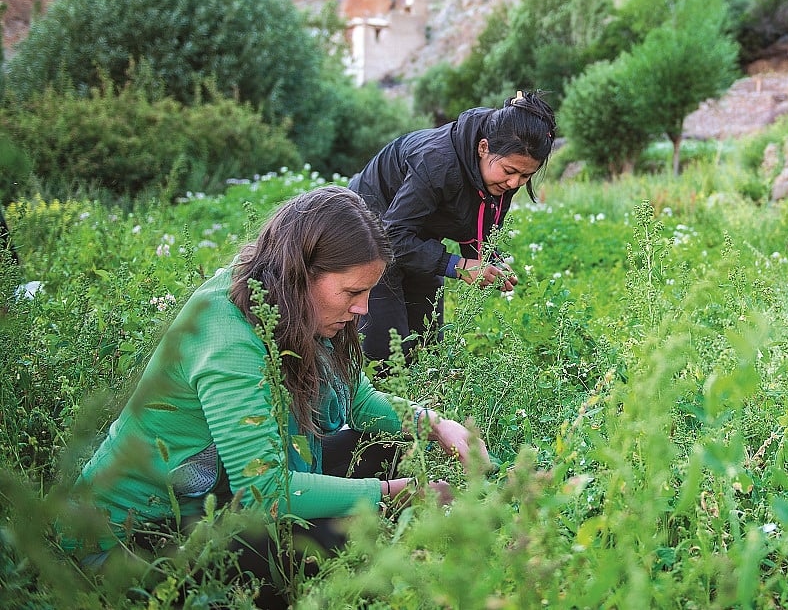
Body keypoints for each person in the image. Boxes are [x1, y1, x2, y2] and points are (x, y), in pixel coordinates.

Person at [66, 186, 490, 606]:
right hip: (139, 538)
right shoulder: (227, 335)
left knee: (382, 448)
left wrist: (434, 424)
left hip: (220, 496)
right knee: (328, 541)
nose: (363, 309)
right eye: (351, 293)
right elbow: (264, 493)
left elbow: (356, 400)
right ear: (301, 275)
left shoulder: (287, 302)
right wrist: (388, 494)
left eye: (367, 293)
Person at [349, 91, 556, 362]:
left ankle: (423, 399)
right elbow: (391, 237)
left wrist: (488, 260)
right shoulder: (436, 162)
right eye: (509, 172)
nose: (514, 183)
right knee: (387, 351)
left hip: (418, 232)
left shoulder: (501, 165)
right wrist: (457, 265)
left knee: (427, 342)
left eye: (525, 175)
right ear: (483, 148)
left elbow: (479, 218)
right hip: (370, 230)